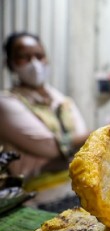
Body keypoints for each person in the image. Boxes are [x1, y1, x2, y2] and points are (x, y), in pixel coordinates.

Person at [0, 32, 90, 179]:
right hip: (36, 194)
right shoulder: (6, 104)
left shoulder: (63, 101)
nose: (34, 63)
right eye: (24, 57)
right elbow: (51, 147)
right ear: (10, 63)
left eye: (39, 56)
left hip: (75, 186)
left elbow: (85, 146)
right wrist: (106, 131)